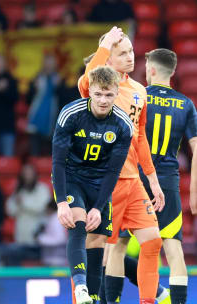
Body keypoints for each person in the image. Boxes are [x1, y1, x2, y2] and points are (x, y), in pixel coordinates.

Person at [78, 27, 165, 304]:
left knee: (152, 240)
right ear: (108, 59)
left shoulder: (140, 90)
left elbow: (140, 138)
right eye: (123, 52)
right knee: (102, 249)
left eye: (131, 51)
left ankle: (149, 301)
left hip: (133, 180)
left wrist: (152, 179)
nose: (131, 57)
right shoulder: (98, 89)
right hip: (104, 181)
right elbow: (84, 81)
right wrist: (105, 44)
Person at [114, 49, 197, 304]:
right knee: (173, 249)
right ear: (173, 72)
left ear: (150, 70)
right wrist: (194, 192)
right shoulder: (186, 104)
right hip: (169, 183)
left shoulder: (138, 96)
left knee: (116, 248)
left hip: (135, 181)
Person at [53, 66, 133, 304]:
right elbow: (57, 161)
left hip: (100, 181)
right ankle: (80, 287)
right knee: (78, 225)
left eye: (108, 95)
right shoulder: (71, 114)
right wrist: (60, 203)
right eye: (98, 94)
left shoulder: (123, 125)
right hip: (72, 176)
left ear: (117, 92)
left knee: (98, 238)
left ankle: (94, 297)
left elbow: (113, 170)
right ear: (90, 92)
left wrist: (98, 207)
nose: (103, 100)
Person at [6, 164, 51, 245]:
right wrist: (18, 204)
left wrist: (23, 203)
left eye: (30, 174)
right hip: (21, 233)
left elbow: (42, 208)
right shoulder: (18, 190)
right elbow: (10, 211)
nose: (27, 177)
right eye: (25, 174)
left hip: (38, 233)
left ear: (35, 175)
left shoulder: (42, 189)